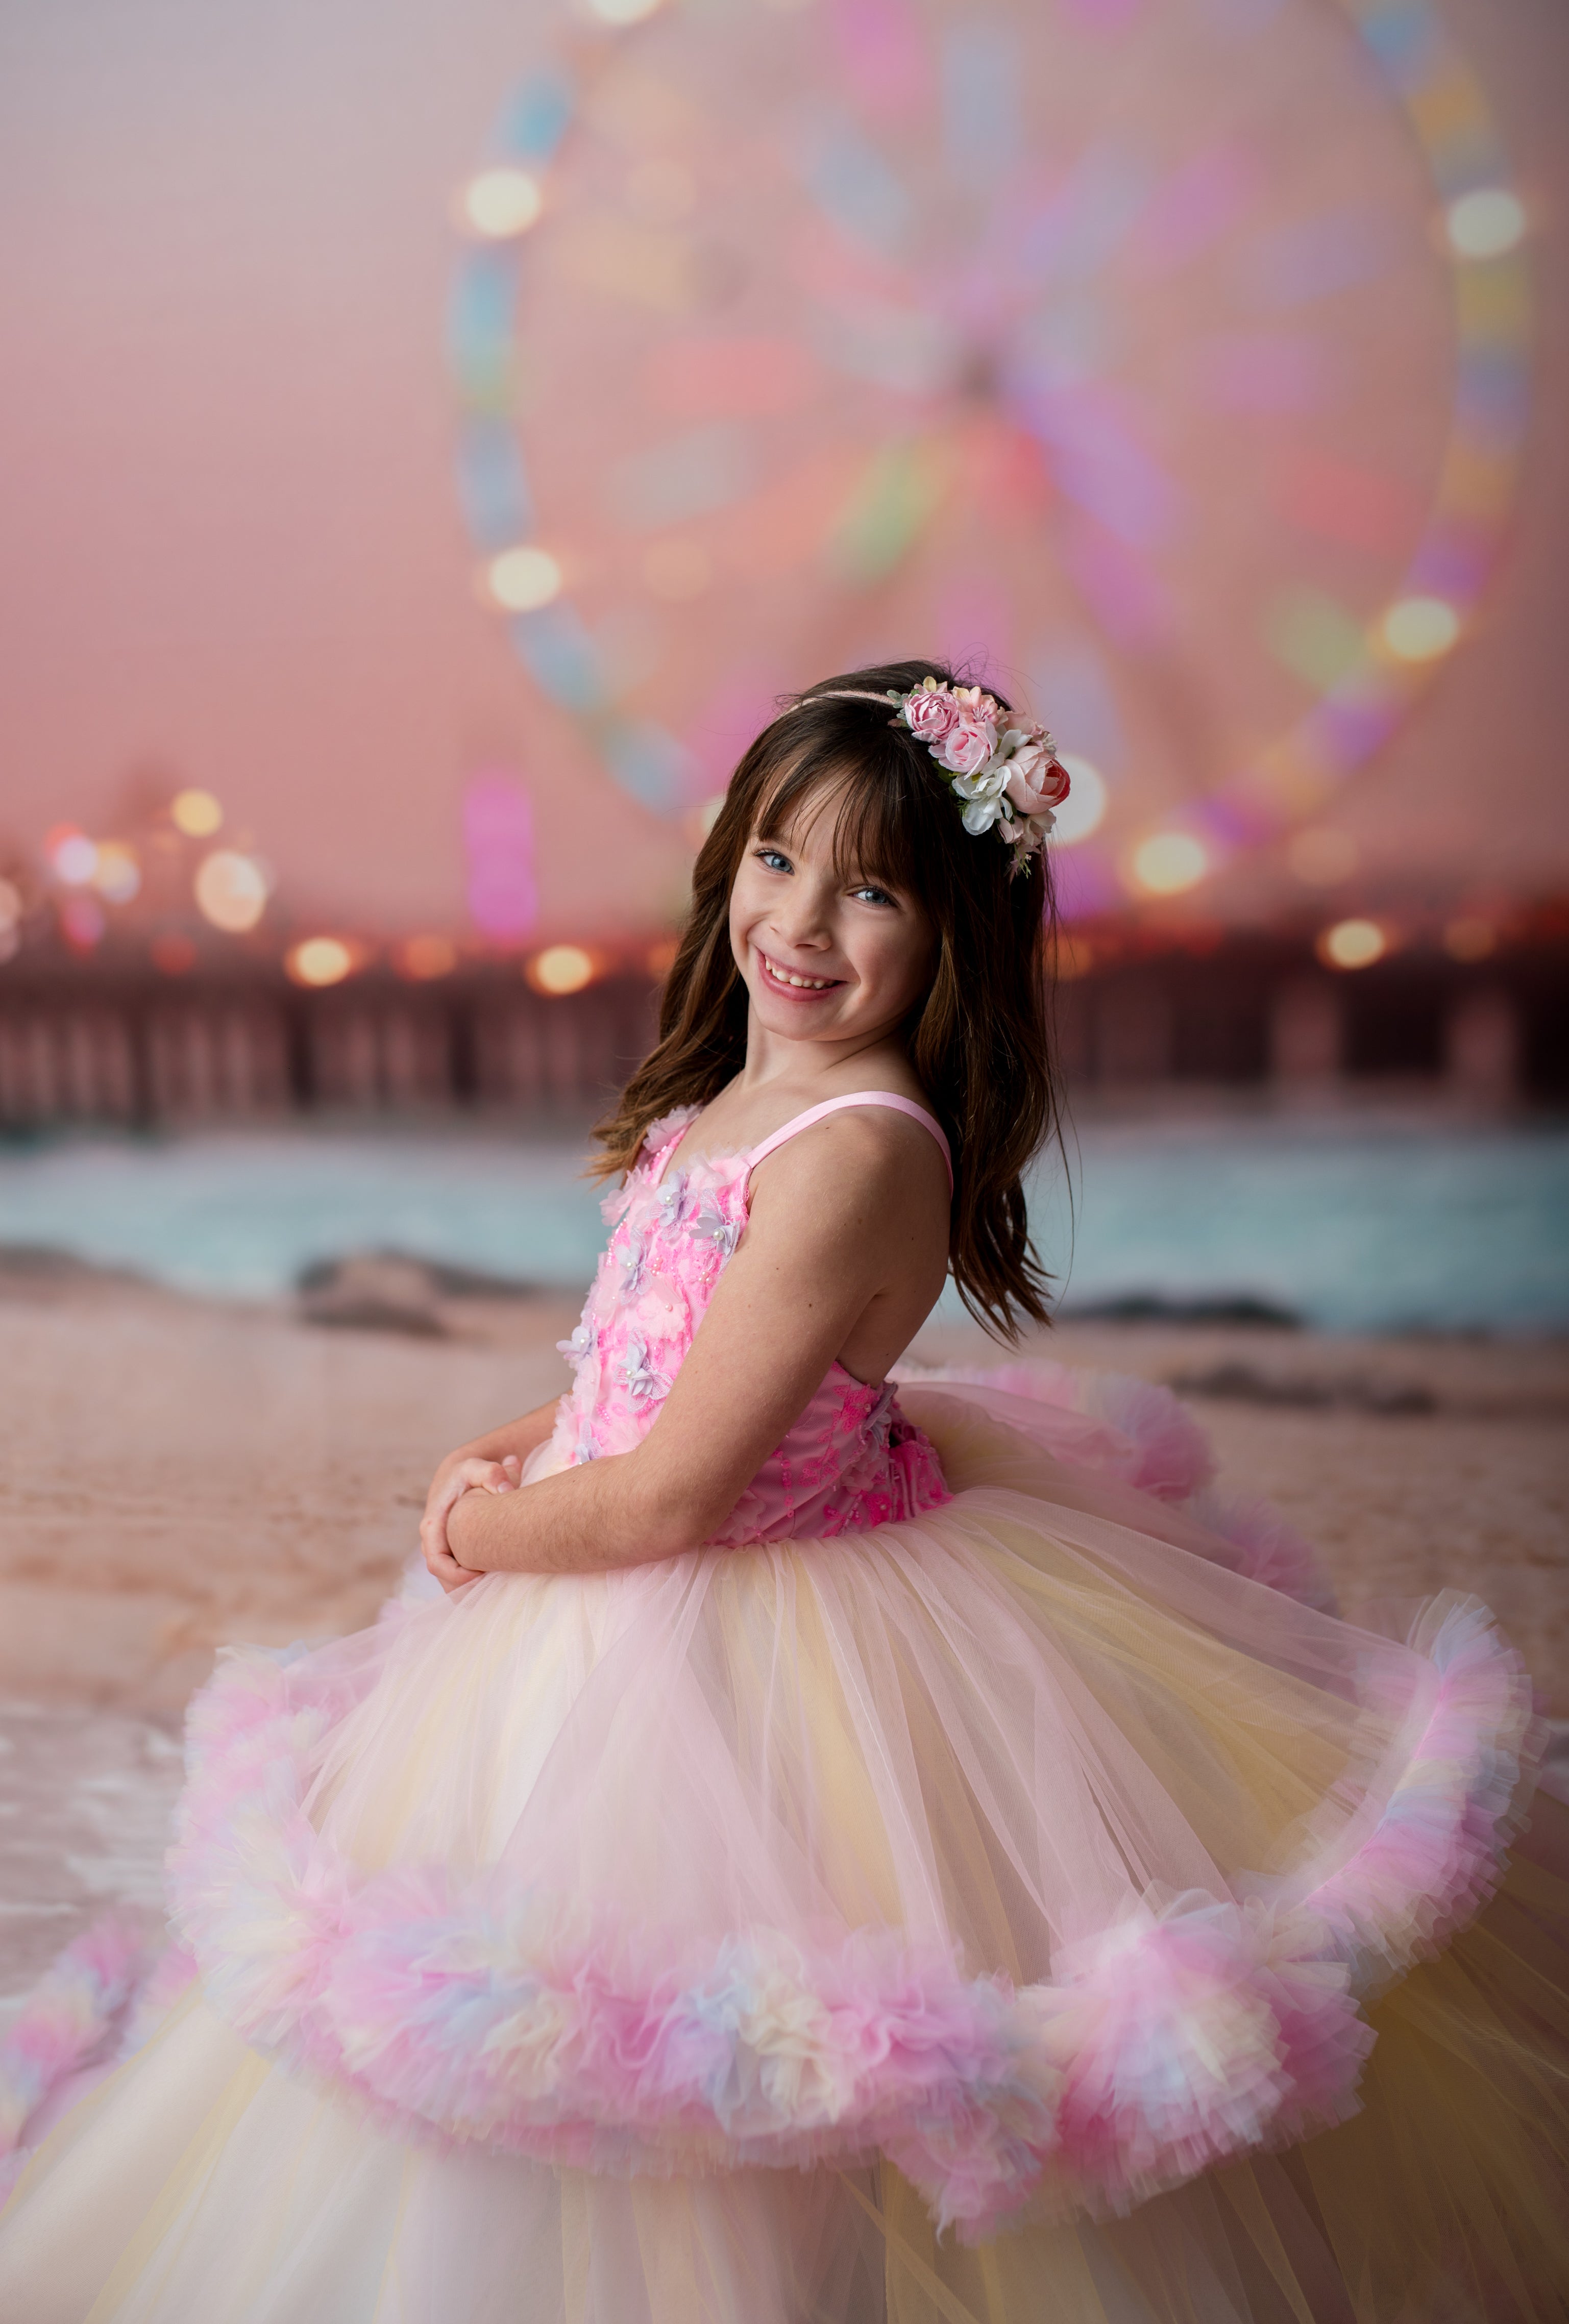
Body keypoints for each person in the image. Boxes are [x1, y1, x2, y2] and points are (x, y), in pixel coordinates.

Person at [1, 662, 1565, 2324]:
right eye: (775, 859)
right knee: (516, 2019)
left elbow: (674, 1497)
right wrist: (538, 1433)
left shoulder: (858, 1151)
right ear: (727, 860)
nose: (803, 922)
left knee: (770, 2024)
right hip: (621, 1595)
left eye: (872, 888)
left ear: (951, 926)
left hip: (750, 1619)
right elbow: (667, 1356)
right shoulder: (740, 1096)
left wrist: (471, 1529)